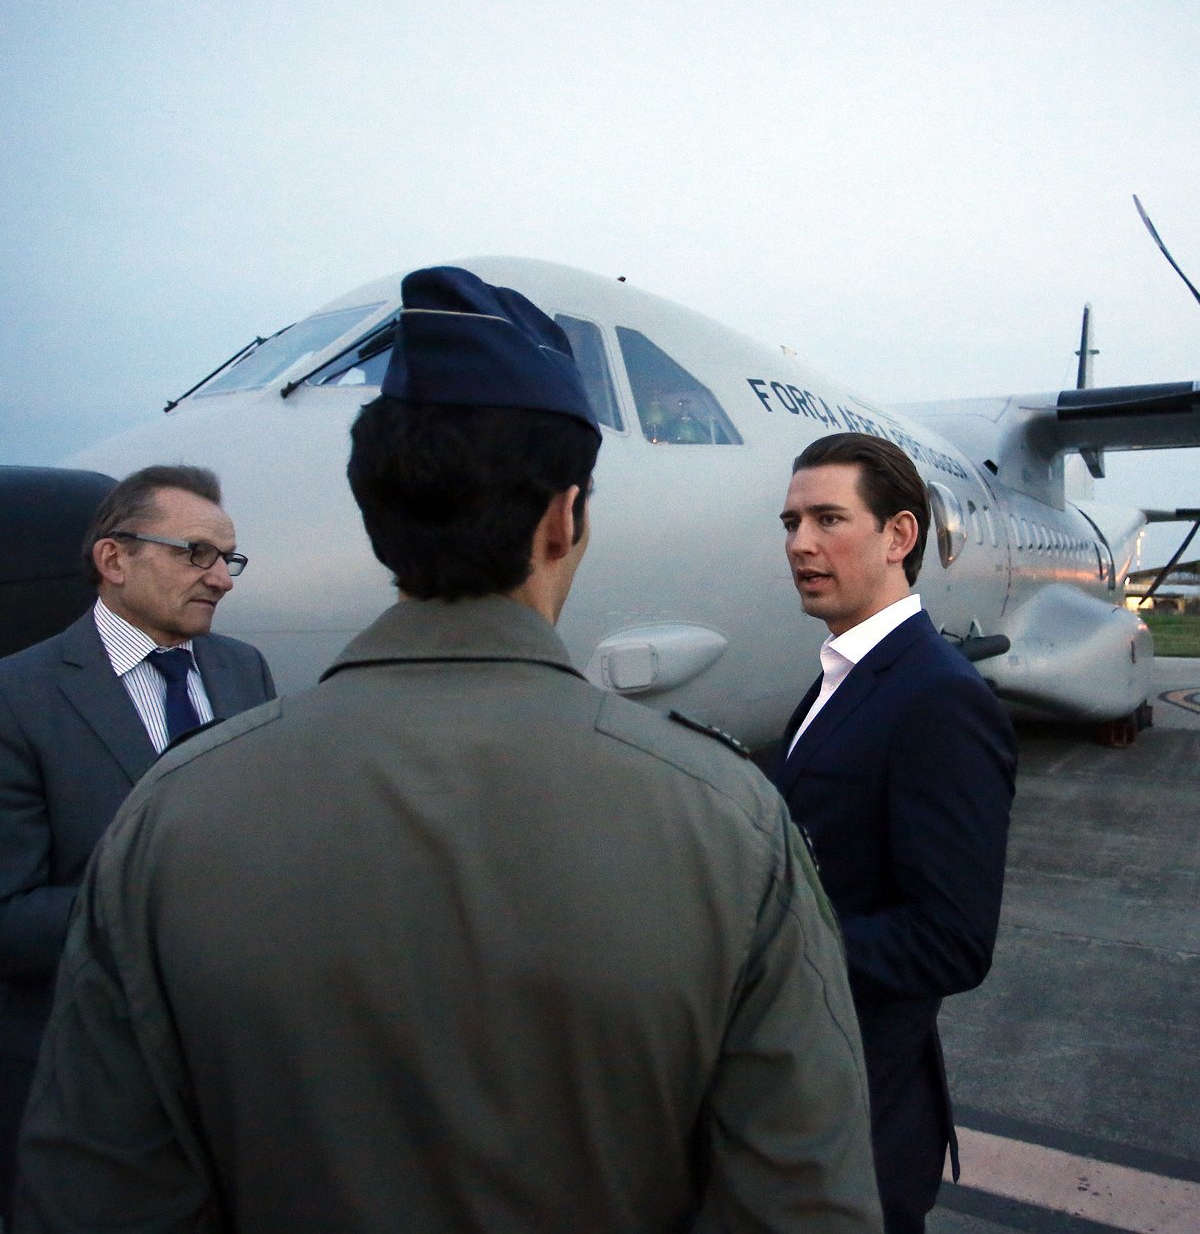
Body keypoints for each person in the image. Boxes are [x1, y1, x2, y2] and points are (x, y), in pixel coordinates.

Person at [17, 268, 883, 1232]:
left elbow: (91, 1195)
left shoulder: (167, 817)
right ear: (567, 517)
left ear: (378, 514)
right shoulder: (728, 820)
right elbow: (803, 1201)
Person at [0, 464, 275, 1222]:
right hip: (85, 1089)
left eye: (228, 558)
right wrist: (166, 906)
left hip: (233, 1075)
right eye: (195, 553)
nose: (220, 578)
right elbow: (10, 916)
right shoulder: (17, 697)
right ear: (113, 559)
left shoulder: (244, 670)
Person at [771, 433, 1016, 1233]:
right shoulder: (845, 675)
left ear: (898, 536)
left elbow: (949, 939)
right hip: (803, 1108)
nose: (799, 543)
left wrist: (761, 949)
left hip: (859, 1129)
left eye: (827, 518)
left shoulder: (937, 698)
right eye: (790, 521)